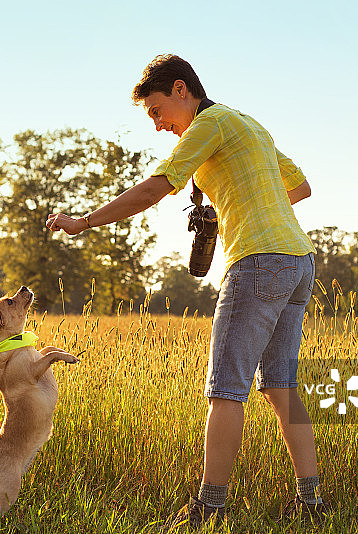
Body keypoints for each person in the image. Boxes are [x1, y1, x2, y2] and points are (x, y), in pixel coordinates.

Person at [45, 54, 329, 530]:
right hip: (298, 263)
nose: (157, 125)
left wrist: (83, 222)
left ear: (181, 90)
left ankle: (208, 508)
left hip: (257, 262)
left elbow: (157, 188)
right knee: (282, 389)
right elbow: (298, 186)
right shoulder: (247, 124)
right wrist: (236, 203)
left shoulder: (209, 122)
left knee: (225, 391)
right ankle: (312, 502)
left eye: (157, 111)